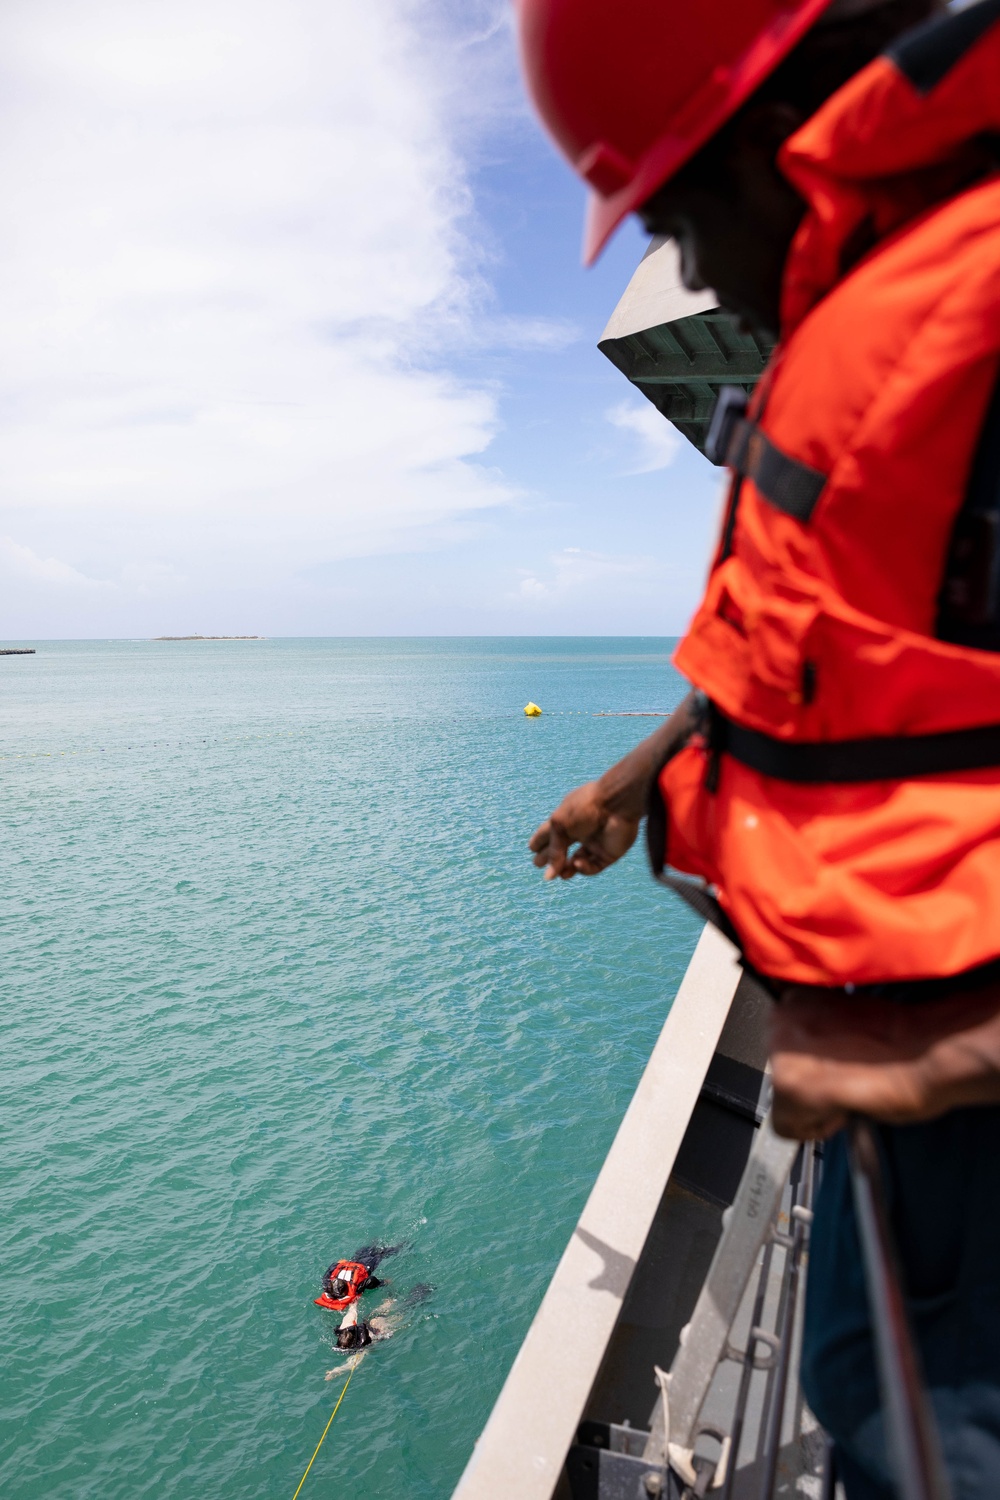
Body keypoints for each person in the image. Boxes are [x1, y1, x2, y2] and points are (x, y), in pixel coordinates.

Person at [517, 0, 1000, 1494]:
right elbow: (838, 656)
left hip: (955, 1089)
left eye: (681, 208)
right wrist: (647, 773)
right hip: (891, 1077)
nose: (700, 267)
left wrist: (964, 1043)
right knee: (870, 1407)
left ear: (782, 114)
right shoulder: (883, 313)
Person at [313, 1243, 399, 1311]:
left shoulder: (356, 1288)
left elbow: (370, 1281)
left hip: (366, 1264)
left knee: (380, 1254)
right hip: (353, 1262)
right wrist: (338, 1264)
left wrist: (383, 1282)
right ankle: (375, 1243)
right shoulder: (327, 1282)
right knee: (367, 1250)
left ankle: (400, 1246)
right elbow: (331, 1268)